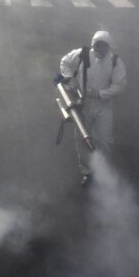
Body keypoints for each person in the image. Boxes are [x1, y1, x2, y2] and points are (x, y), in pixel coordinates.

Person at [58, 31, 127, 186]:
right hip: (83, 105)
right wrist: (69, 78)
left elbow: (120, 86)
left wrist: (100, 94)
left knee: (104, 140)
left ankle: (104, 171)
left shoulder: (115, 62)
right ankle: (86, 172)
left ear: (108, 47)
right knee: (82, 139)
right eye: (97, 45)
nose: (100, 49)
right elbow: (65, 62)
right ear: (93, 44)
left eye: (104, 46)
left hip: (103, 106)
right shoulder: (82, 55)